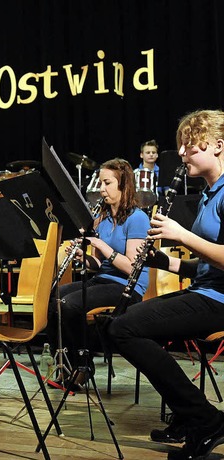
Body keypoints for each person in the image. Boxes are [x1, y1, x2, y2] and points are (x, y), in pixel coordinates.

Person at [109, 109, 224, 460]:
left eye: (192, 146)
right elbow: (206, 263)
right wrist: (167, 261)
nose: (183, 153)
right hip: (206, 291)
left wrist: (182, 235)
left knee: (123, 330)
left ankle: (204, 419)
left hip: (219, 301)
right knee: (132, 325)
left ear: (219, 146)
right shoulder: (209, 193)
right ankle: (189, 415)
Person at [46, 158, 149, 383]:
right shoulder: (101, 218)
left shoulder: (138, 219)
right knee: (53, 298)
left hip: (127, 287)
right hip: (103, 280)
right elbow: (98, 264)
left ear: (124, 185)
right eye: (100, 183)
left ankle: (84, 365)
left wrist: (104, 247)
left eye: (107, 183)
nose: (101, 189)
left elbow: (134, 267)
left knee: (70, 304)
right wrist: (85, 257)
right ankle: (64, 365)